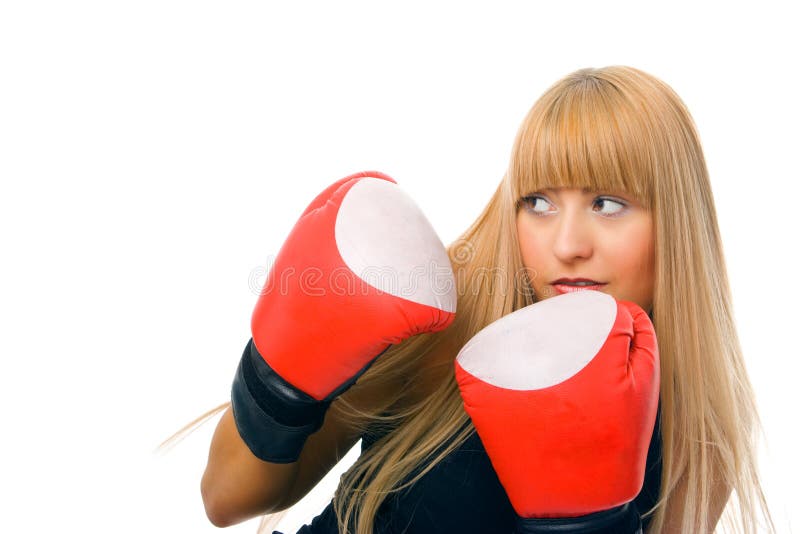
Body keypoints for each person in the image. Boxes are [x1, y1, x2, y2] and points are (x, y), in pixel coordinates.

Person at [161, 65, 774, 533]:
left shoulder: (701, 435)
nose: (567, 244)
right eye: (538, 201)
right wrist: (278, 378)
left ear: (678, 223)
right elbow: (226, 499)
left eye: (607, 204)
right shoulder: (445, 319)